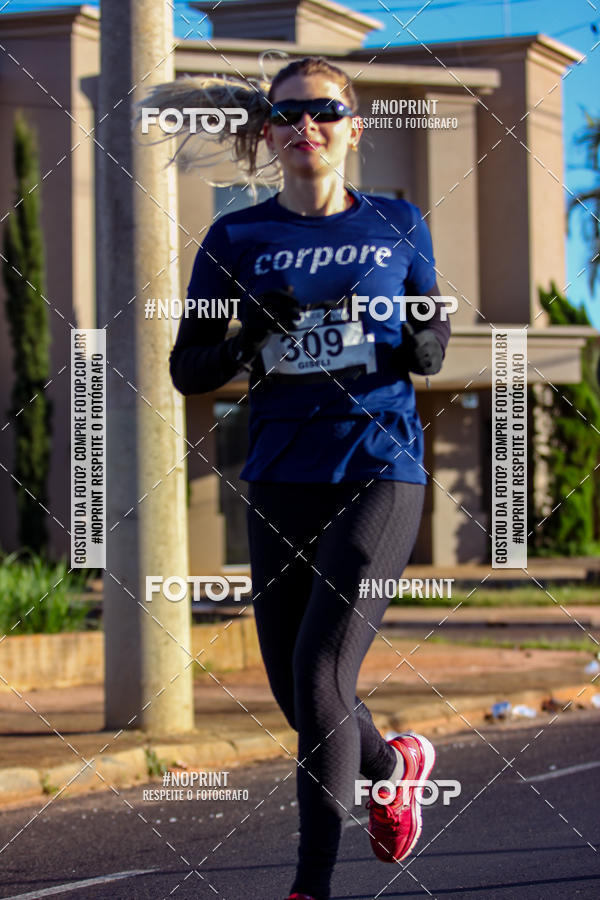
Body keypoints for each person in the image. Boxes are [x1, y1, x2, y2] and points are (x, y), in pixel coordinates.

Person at [167, 56, 450, 900]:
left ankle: (310, 888)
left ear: (353, 129)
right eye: (286, 115)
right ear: (266, 131)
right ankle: (394, 762)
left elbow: (432, 327)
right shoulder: (236, 239)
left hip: (379, 467)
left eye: (325, 112)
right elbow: (188, 368)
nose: (306, 128)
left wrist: (423, 346)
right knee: (300, 696)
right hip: (281, 474)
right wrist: (249, 340)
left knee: (325, 675)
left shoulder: (398, 222)